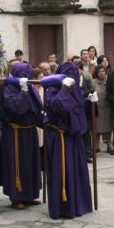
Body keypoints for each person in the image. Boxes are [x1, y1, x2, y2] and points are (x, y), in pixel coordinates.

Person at [42, 62, 93, 219]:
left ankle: (78, 204)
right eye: (70, 74)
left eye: (75, 74)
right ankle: (62, 208)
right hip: (59, 138)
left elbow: (78, 110)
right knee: (61, 172)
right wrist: (64, 89)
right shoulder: (52, 90)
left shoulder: (75, 89)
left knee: (75, 172)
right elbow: (57, 106)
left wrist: (91, 102)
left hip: (73, 139)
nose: (74, 77)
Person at [1, 62, 43, 210]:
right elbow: (16, 108)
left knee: (31, 164)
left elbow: (37, 108)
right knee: (18, 165)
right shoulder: (9, 89)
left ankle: (30, 195)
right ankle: (17, 197)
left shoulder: (31, 88)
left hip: (30, 131)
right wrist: (23, 92)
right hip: (15, 133)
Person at [92, 66, 112, 152]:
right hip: (97, 108)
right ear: (97, 73)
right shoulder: (93, 82)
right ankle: (96, 146)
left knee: (108, 128)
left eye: (103, 71)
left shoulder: (109, 81)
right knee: (97, 128)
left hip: (108, 107)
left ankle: (109, 145)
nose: (101, 73)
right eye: (99, 71)